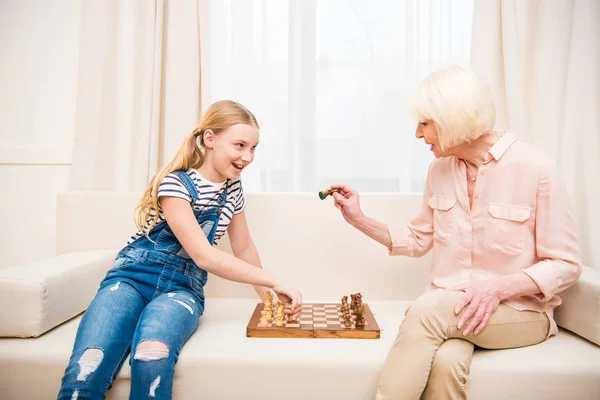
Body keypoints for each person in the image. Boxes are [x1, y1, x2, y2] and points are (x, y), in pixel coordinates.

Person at [326, 65, 581, 400]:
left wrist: (497, 288)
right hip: (456, 310)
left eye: (425, 123)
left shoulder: (536, 168)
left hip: (520, 312)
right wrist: (359, 218)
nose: (418, 134)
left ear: (453, 120)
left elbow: (566, 264)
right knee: (446, 362)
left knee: (426, 310)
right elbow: (418, 240)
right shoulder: (440, 170)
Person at [58, 100, 303, 399]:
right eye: (240, 145)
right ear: (210, 139)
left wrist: (271, 301)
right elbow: (204, 254)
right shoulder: (176, 184)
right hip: (131, 277)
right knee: (88, 364)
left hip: (182, 287)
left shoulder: (234, 190)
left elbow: (244, 247)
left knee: (151, 357)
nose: (248, 157)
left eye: (253, 148)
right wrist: (274, 280)